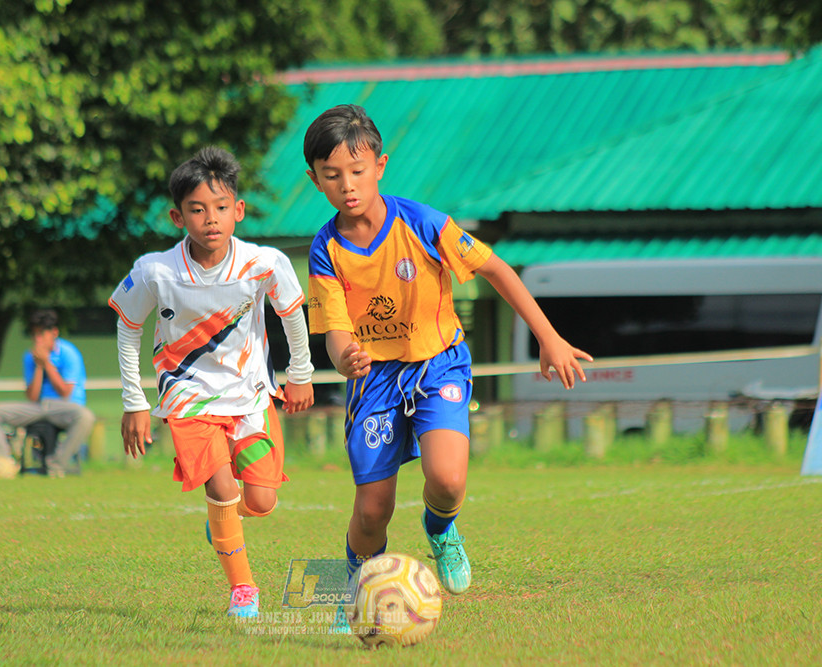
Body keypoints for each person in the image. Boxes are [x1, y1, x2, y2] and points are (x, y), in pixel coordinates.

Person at [302, 104, 593, 609]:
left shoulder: (422, 222)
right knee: (372, 509)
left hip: (439, 365)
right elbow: (333, 326)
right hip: (375, 381)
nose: (347, 184)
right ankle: (358, 590)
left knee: (448, 480)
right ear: (315, 180)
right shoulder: (325, 247)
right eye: (332, 175)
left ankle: (441, 530)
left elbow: (497, 269)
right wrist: (345, 354)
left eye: (356, 170)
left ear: (380, 166)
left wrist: (549, 337)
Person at [109, 146, 315, 619]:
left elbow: (292, 315)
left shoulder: (264, 262)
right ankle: (243, 588)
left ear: (238, 211)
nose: (211, 219)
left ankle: (224, 525)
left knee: (260, 502)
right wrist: (133, 400)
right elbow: (128, 324)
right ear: (177, 217)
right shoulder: (155, 270)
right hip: (188, 398)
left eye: (221, 207)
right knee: (223, 489)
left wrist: (300, 374)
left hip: (250, 396)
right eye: (197, 209)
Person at [0, 309, 96, 479]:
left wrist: (47, 363)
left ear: (54, 332)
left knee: (86, 417)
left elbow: (65, 392)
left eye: (41, 334)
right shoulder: (29, 357)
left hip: (66, 406)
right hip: (39, 406)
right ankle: (2, 464)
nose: (37, 339)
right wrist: (39, 367)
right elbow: (32, 396)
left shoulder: (68, 353)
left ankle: (56, 466)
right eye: (34, 335)